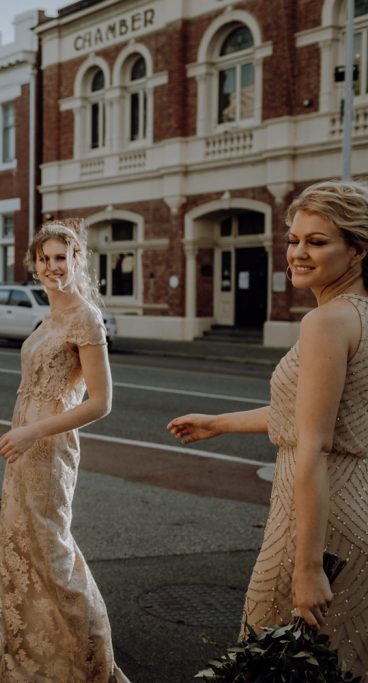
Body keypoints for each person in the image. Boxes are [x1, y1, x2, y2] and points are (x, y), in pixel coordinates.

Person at [168, 180, 368, 675]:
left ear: (358, 250)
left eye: (317, 242)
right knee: (336, 663)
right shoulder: (358, 315)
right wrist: (219, 422)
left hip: (317, 522)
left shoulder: (326, 323)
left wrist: (306, 566)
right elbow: (315, 418)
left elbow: (314, 447)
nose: (298, 253)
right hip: (357, 507)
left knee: (268, 659)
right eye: (294, 240)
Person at [0, 220, 128, 683]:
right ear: (33, 263)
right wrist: (21, 432)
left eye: (60, 257)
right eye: (43, 258)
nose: (51, 266)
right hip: (24, 444)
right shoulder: (49, 316)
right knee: (17, 551)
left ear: (75, 260)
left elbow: (102, 403)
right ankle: (26, 665)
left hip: (49, 449)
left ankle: (91, 665)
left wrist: (33, 432)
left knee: (52, 555)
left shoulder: (85, 317)